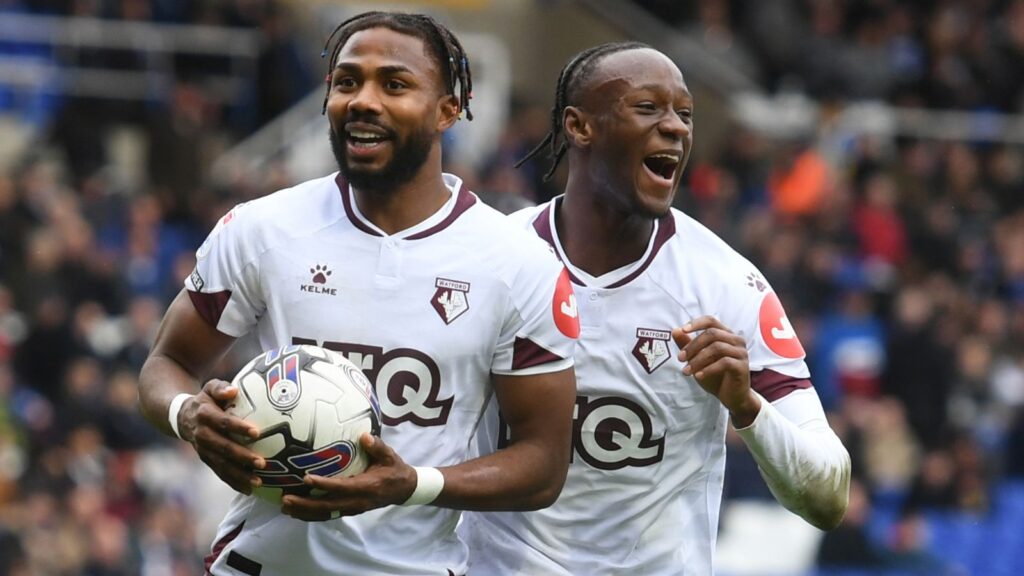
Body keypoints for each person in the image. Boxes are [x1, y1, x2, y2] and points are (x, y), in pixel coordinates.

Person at [137, 11, 580, 576]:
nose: (364, 100)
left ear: (449, 109)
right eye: (347, 82)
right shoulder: (262, 228)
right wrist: (188, 415)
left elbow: (543, 465)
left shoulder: (517, 264)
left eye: (394, 84)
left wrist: (410, 486)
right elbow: (166, 363)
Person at [462, 42, 851, 575]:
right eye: (648, 107)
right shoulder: (488, 263)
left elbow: (829, 497)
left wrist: (747, 408)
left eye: (685, 114)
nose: (676, 128)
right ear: (579, 127)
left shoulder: (725, 285)